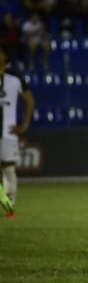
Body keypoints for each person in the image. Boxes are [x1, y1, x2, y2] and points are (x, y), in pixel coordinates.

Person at [0, 43, 35, 218]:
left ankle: (9, 205)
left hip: (7, 133)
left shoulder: (15, 77)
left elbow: (29, 100)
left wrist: (25, 124)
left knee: (8, 169)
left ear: (5, 56)